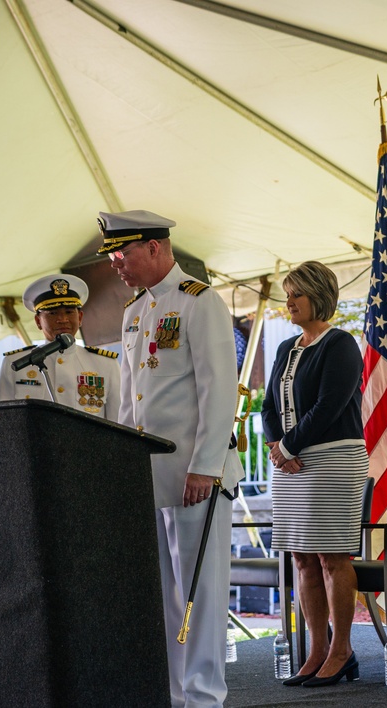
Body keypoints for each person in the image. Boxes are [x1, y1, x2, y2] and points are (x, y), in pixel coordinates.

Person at [99, 209, 244, 708]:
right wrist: (121, 469)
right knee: (163, 597)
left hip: (194, 476)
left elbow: (219, 390)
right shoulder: (135, 310)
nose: (116, 264)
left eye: (122, 253)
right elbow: (129, 402)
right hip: (151, 476)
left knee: (201, 595)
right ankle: (176, 695)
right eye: (113, 255)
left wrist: (205, 464)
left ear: (155, 247)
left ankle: (204, 697)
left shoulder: (200, 303)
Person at [261, 261, 366, 688]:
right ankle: (316, 650)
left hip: (333, 459)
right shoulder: (287, 348)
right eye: (287, 295)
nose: (289, 302)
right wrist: (277, 445)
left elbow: (330, 406)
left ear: (318, 296)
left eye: (296, 294)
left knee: (332, 557)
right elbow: (268, 407)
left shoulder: (340, 344)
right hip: (292, 463)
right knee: (303, 559)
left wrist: (286, 447)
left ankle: (343, 650)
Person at [0, 273, 119, 420]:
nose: (62, 319)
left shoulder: (106, 364)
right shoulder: (15, 363)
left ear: (79, 318)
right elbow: (3, 421)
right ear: (38, 321)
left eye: (69, 312)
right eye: (53, 313)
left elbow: (118, 423)